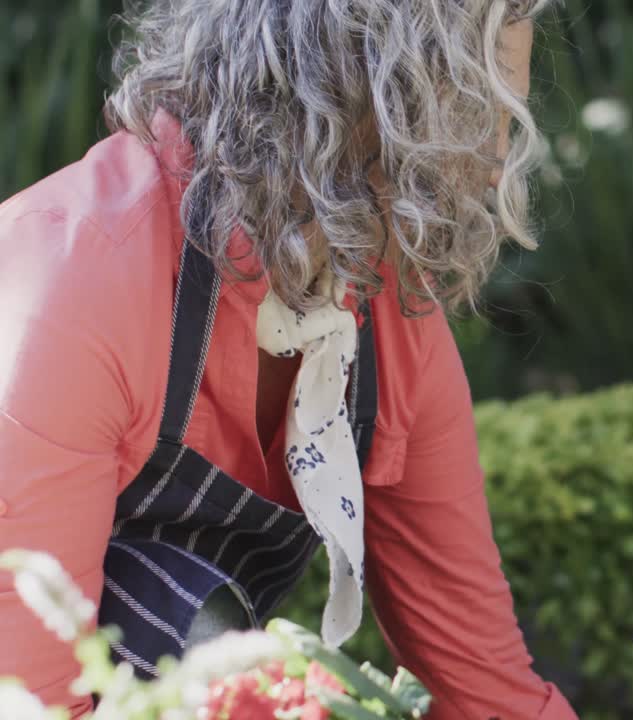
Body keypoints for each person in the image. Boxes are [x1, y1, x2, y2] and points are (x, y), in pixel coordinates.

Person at [0, 1, 578, 718]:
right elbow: (27, 700)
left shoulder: (387, 312)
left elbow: (486, 689)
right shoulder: (79, 285)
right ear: (363, 92)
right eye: (480, 113)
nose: (496, 168)